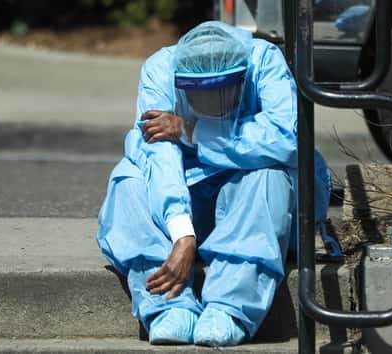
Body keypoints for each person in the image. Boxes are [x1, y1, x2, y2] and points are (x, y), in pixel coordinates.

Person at [97, 21, 340, 347]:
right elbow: (158, 153)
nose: (212, 102)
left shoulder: (264, 59)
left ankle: (230, 306)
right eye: (199, 92)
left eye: (223, 89)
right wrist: (182, 234)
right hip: (190, 194)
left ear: (242, 76)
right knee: (128, 182)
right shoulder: (160, 68)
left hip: (248, 201)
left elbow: (286, 138)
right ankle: (167, 304)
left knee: (269, 175)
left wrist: (192, 131)